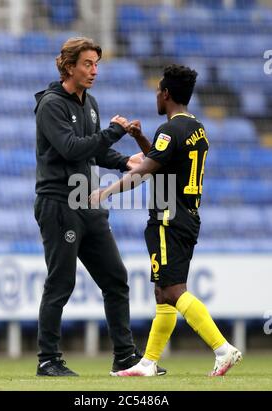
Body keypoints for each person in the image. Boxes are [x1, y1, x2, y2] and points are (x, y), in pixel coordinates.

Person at [90, 64, 242, 377]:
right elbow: (161, 163)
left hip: (168, 217)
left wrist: (107, 191)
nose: (156, 96)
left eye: (159, 91)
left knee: (173, 290)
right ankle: (148, 363)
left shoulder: (170, 130)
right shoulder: (196, 127)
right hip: (186, 215)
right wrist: (141, 138)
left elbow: (145, 171)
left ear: (167, 94)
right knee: (163, 292)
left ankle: (223, 348)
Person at [34, 36, 166, 377]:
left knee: (116, 279)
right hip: (59, 203)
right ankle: (48, 359)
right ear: (69, 66)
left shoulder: (89, 102)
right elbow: (71, 148)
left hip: (87, 202)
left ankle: (125, 357)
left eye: (96, 64)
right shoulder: (51, 104)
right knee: (61, 283)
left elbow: (95, 152)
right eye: (87, 64)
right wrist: (112, 132)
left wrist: (127, 162)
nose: (94, 70)